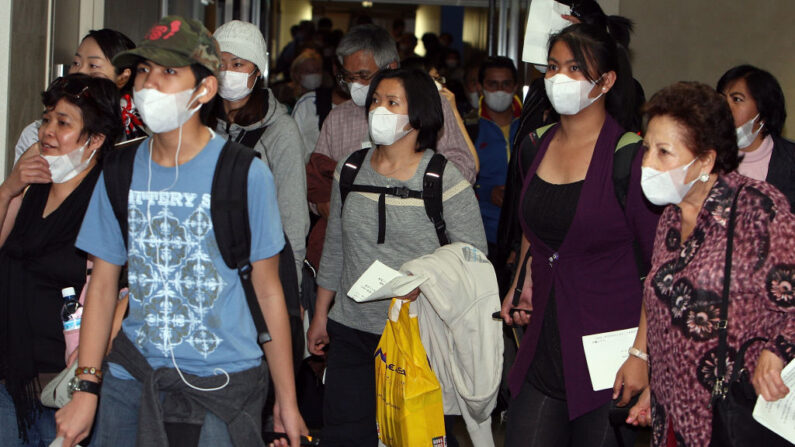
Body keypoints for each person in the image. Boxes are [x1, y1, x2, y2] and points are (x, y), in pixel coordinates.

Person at [53, 16, 307, 447]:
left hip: (223, 381)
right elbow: (102, 284)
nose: (151, 84)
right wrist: (87, 387)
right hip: (132, 374)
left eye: (169, 72)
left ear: (204, 90)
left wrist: (288, 399)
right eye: (146, 71)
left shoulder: (245, 174)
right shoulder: (120, 169)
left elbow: (268, 292)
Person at [306, 67, 487, 446]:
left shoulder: (442, 178)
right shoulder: (350, 170)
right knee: (345, 436)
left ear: (418, 114)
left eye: (392, 102)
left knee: (416, 438)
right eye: (375, 100)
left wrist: (427, 283)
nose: (378, 110)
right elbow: (336, 247)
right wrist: (321, 315)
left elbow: (474, 259)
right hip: (352, 330)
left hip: (419, 336)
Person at [499, 23, 660, 447]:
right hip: (544, 340)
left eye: (574, 68)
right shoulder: (535, 144)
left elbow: (659, 267)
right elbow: (534, 229)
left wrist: (642, 355)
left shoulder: (632, 157)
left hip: (609, 349)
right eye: (552, 67)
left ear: (605, 81)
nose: (559, 79)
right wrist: (523, 283)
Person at [622, 81, 794, 445]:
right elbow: (664, 306)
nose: (647, 163)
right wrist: (655, 382)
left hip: (731, 414)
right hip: (672, 414)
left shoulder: (756, 209)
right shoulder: (670, 216)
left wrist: (776, 353)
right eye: (647, 148)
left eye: (664, 152)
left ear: (705, 160)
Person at [0, 74, 122, 446]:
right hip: (10, 377)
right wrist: (9, 189)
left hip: (61, 387)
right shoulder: (33, 183)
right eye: (47, 119)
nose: (48, 132)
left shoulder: (107, 199)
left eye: (63, 123)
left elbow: (122, 294)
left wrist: (88, 370)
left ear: (95, 139)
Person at [304, 24, 476, 269]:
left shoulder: (427, 104)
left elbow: (464, 170)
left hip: (417, 255)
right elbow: (316, 184)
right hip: (353, 257)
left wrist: (408, 193)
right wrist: (326, 204)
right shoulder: (338, 118)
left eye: (363, 76)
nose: (355, 85)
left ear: (391, 68)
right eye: (348, 77)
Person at [211, 20, 310, 286]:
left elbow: (293, 217)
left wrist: (292, 286)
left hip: (257, 271)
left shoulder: (280, 132)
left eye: (238, 64)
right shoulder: (199, 124)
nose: (227, 72)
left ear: (257, 71)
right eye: (220, 63)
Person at [14, 29, 144, 163]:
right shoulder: (37, 135)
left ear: (123, 77)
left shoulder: (136, 136)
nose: (80, 71)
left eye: (93, 66)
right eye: (76, 63)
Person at [716, 65, 795, 210]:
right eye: (722, 98)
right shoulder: (707, 157)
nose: (725, 106)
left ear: (764, 111)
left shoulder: (790, 159)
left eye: (737, 99)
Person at [474, 56, 522, 255]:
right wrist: (486, 192)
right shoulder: (469, 128)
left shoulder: (532, 126)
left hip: (524, 235)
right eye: (492, 84)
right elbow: (453, 182)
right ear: (480, 87)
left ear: (516, 86)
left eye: (506, 84)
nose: (500, 91)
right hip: (482, 236)